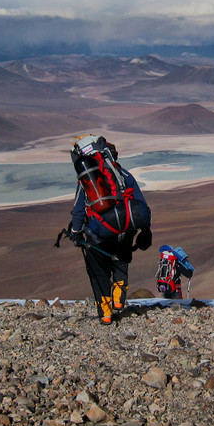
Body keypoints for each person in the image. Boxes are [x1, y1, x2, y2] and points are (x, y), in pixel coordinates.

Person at [68, 135, 152, 324]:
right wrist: (145, 231)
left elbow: (79, 210)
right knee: (121, 262)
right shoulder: (124, 175)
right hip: (125, 231)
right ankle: (118, 302)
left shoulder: (89, 180)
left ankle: (106, 314)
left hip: (98, 233)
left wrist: (75, 233)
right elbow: (142, 206)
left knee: (98, 271)